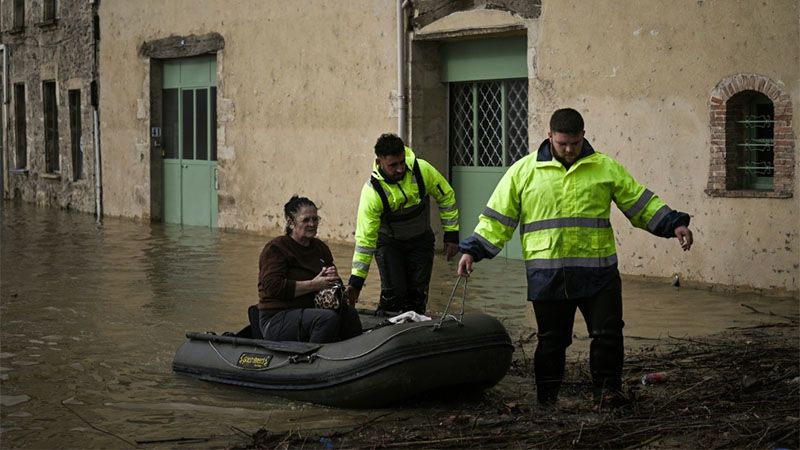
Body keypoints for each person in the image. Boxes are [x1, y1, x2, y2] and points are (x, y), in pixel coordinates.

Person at [457, 108, 694, 408]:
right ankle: (547, 401)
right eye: (562, 144)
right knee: (552, 341)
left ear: (584, 135)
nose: (569, 150)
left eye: (574, 143)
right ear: (549, 137)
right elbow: (497, 220)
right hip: (548, 276)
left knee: (608, 335)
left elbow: (640, 203)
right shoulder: (523, 171)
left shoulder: (605, 168)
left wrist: (674, 223)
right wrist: (472, 250)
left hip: (598, 274)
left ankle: (607, 396)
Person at [345, 133, 460, 314]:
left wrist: (451, 234)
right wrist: (356, 282)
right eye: (393, 165)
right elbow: (365, 241)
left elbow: (446, 196)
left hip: (420, 241)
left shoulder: (422, 170)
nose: (400, 169)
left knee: (418, 295)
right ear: (379, 162)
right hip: (389, 244)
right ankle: (386, 325)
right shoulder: (372, 192)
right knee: (395, 295)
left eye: (401, 163)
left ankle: (416, 330)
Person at [257, 195, 362, 343]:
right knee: (326, 319)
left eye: (315, 219)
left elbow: (332, 285)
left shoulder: (320, 248)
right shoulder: (276, 249)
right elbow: (273, 287)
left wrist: (334, 279)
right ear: (290, 222)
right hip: (277, 318)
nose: (312, 224)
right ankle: (312, 359)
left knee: (350, 314)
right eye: (306, 220)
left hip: (313, 311)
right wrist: (314, 285)